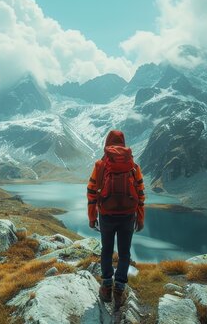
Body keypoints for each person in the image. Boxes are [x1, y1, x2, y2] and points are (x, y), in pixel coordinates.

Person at [87, 130, 145, 308]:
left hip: (106, 214)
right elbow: (141, 193)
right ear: (124, 142)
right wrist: (140, 218)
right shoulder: (133, 166)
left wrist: (92, 216)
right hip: (128, 215)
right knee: (125, 252)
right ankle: (119, 289)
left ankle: (106, 287)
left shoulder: (100, 164)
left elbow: (91, 192)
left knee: (106, 250)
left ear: (107, 142)